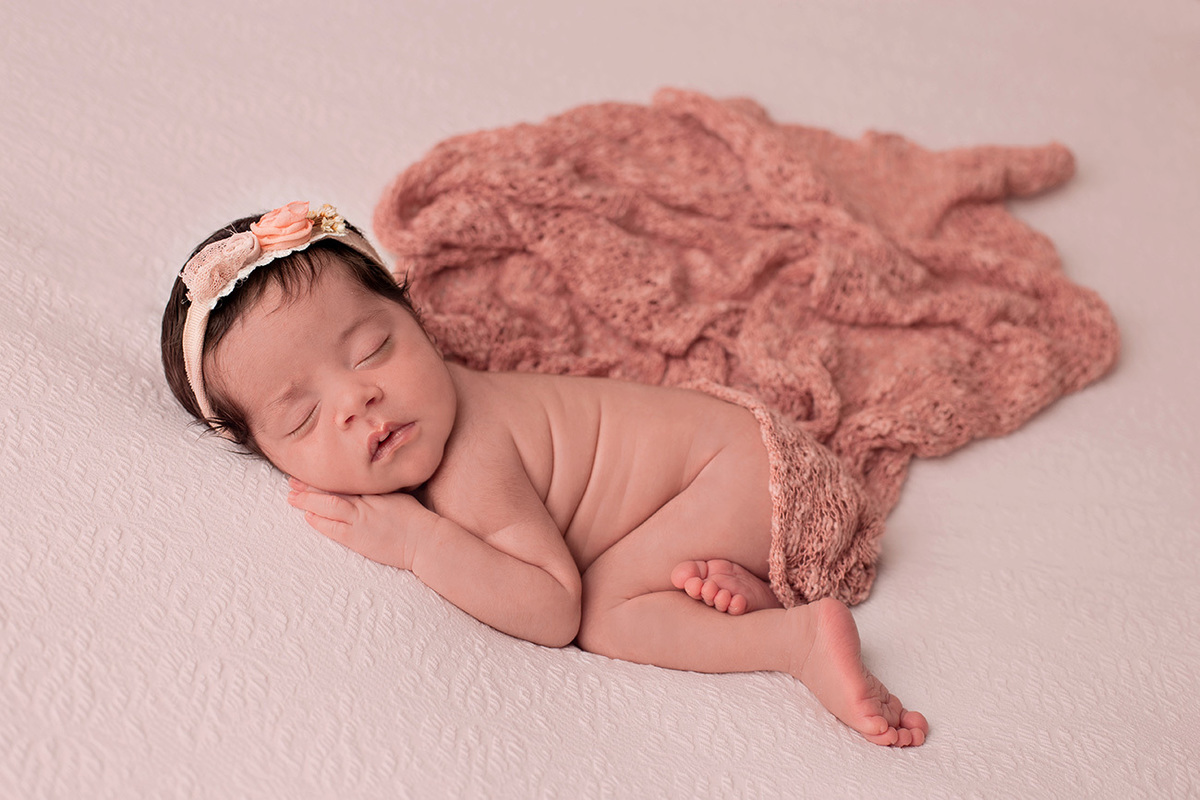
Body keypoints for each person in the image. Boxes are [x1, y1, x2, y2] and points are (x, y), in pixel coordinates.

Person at [162, 201, 929, 747]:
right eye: (300, 418)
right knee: (639, 573)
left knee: (606, 614)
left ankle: (792, 640)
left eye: (373, 350)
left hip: (738, 473)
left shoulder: (471, 458)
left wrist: (418, 543)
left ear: (416, 319)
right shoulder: (435, 419)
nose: (359, 399)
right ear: (265, 452)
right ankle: (750, 587)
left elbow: (550, 607)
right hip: (730, 464)